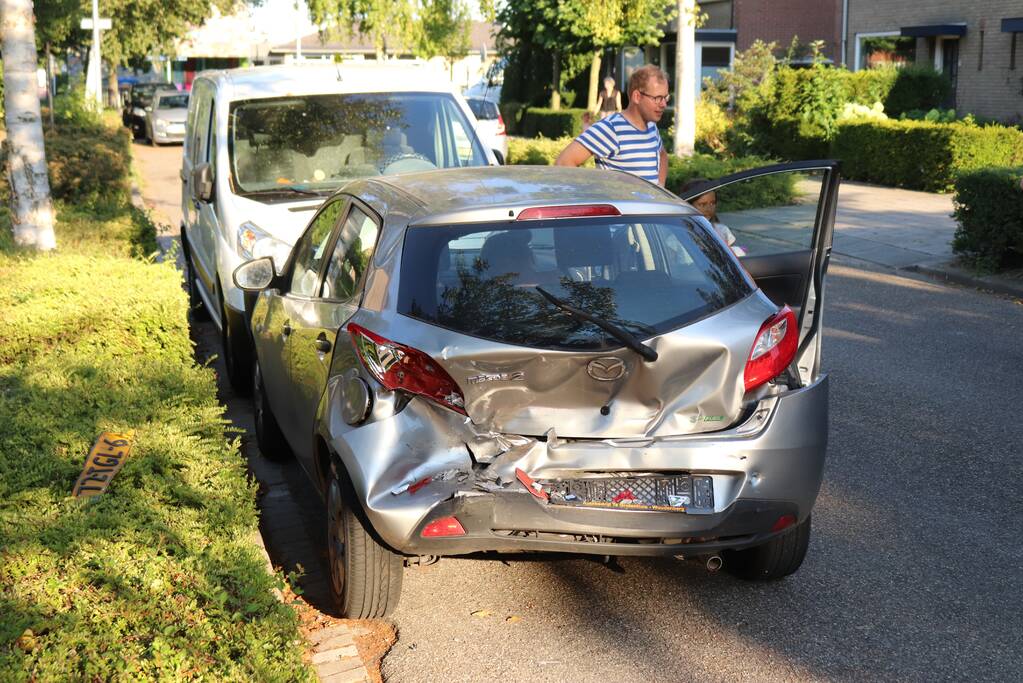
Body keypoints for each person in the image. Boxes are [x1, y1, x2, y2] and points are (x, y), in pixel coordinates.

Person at [555, 64, 669, 187]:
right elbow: (563, 162)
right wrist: (589, 194)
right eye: (658, 98)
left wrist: (660, 186)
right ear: (637, 96)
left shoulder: (651, 127)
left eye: (665, 97)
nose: (664, 104)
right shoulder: (611, 128)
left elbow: (662, 155)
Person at [680, 178, 745, 256]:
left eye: (712, 203)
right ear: (688, 205)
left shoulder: (722, 231)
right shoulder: (678, 233)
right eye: (702, 204)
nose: (708, 209)